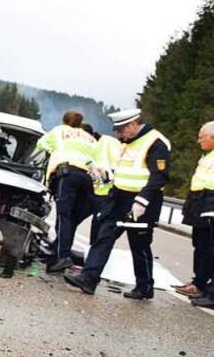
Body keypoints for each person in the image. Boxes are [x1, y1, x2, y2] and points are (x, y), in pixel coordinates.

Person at [64, 109, 170, 299]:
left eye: (121, 130)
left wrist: (142, 200)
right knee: (104, 236)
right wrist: (105, 175)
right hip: (118, 199)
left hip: (141, 203)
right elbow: (124, 170)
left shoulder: (156, 142)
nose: (118, 135)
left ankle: (145, 287)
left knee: (139, 245)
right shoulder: (127, 143)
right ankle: (89, 278)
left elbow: (159, 176)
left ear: (132, 125)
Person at [35, 111, 97, 272]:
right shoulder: (89, 137)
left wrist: (53, 150)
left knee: (64, 216)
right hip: (86, 179)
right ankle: (59, 254)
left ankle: (62, 257)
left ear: (64, 120)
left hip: (67, 174)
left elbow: (40, 143)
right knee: (71, 219)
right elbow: (97, 158)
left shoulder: (59, 131)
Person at [176, 121, 214, 307]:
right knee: (200, 245)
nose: (198, 140)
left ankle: (206, 288)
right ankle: (199, 283)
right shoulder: (207, 155)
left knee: (209, 248)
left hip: (210, 202)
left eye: (202, 137)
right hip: (201, 201)